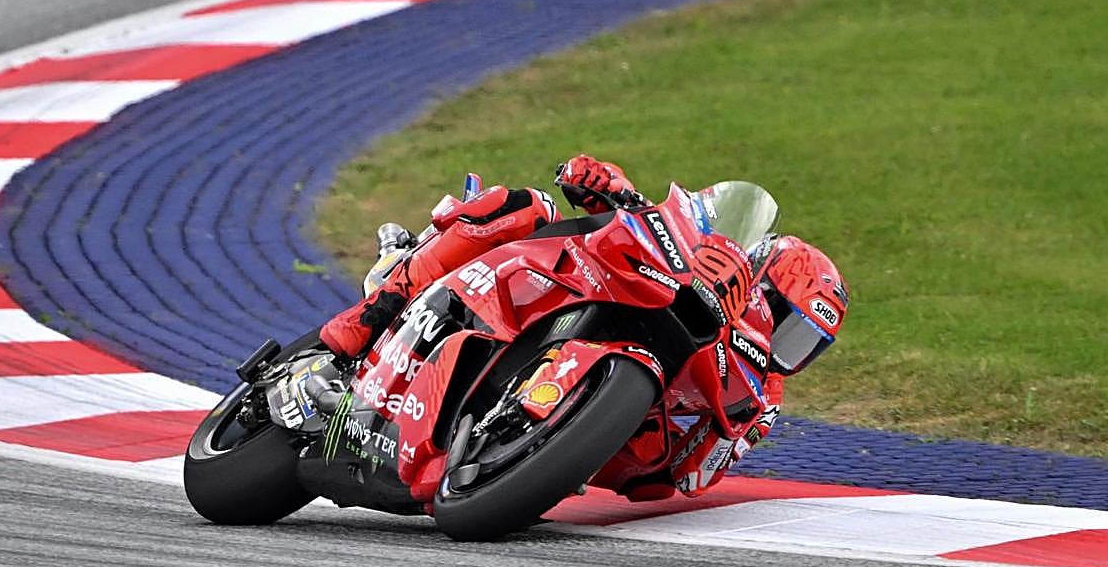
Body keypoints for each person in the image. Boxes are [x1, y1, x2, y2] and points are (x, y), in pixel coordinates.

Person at [319, 154, 848, 497]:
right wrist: (603, 183)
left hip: (594, 431)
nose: (783, 344)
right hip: (569, 292)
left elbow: (688, 477)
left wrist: (665, 428)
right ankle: (364, 324)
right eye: (784, 321)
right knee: (525, 207)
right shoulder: (704, 266)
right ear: (757, 278)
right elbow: (643, 219)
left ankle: (513, 440)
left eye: (804, 343)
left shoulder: (760, 395)